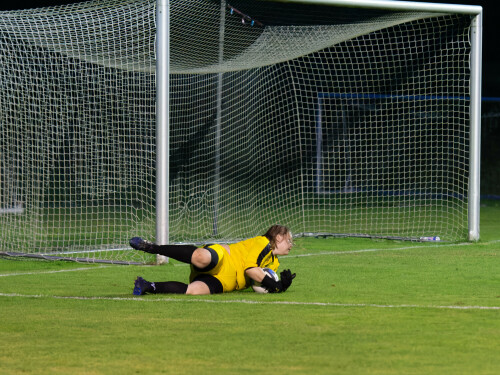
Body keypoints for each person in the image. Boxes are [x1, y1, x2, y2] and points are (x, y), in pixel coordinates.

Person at [129, 224, 296, 295]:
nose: (291, 245)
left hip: (225, 282)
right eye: (289, 240)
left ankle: (146, 285)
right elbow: (250, 270)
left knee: (193, 290)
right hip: (224, 258)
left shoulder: (274, 263)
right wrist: (276, 285)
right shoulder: (263, 243)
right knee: (202, 257)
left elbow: (264, 281)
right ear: (279, 237)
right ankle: (151, 247)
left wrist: (281, 285)